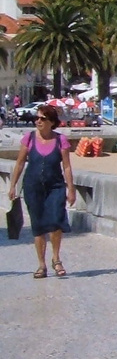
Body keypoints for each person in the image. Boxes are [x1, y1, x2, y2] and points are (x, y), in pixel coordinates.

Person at [8, 103, 76, 278]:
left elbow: (67, 167)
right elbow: (20, 163)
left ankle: (56, 258)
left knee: (55, 221)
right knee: (37, 225)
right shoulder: (29, 138)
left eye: (42, 118)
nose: (38, 121)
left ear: (52, 122)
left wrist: (71, 189)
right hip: (33, 187)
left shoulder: (61, 141)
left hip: (55, 186)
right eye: (37, 118)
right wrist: (13, 185)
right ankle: (41, 265)